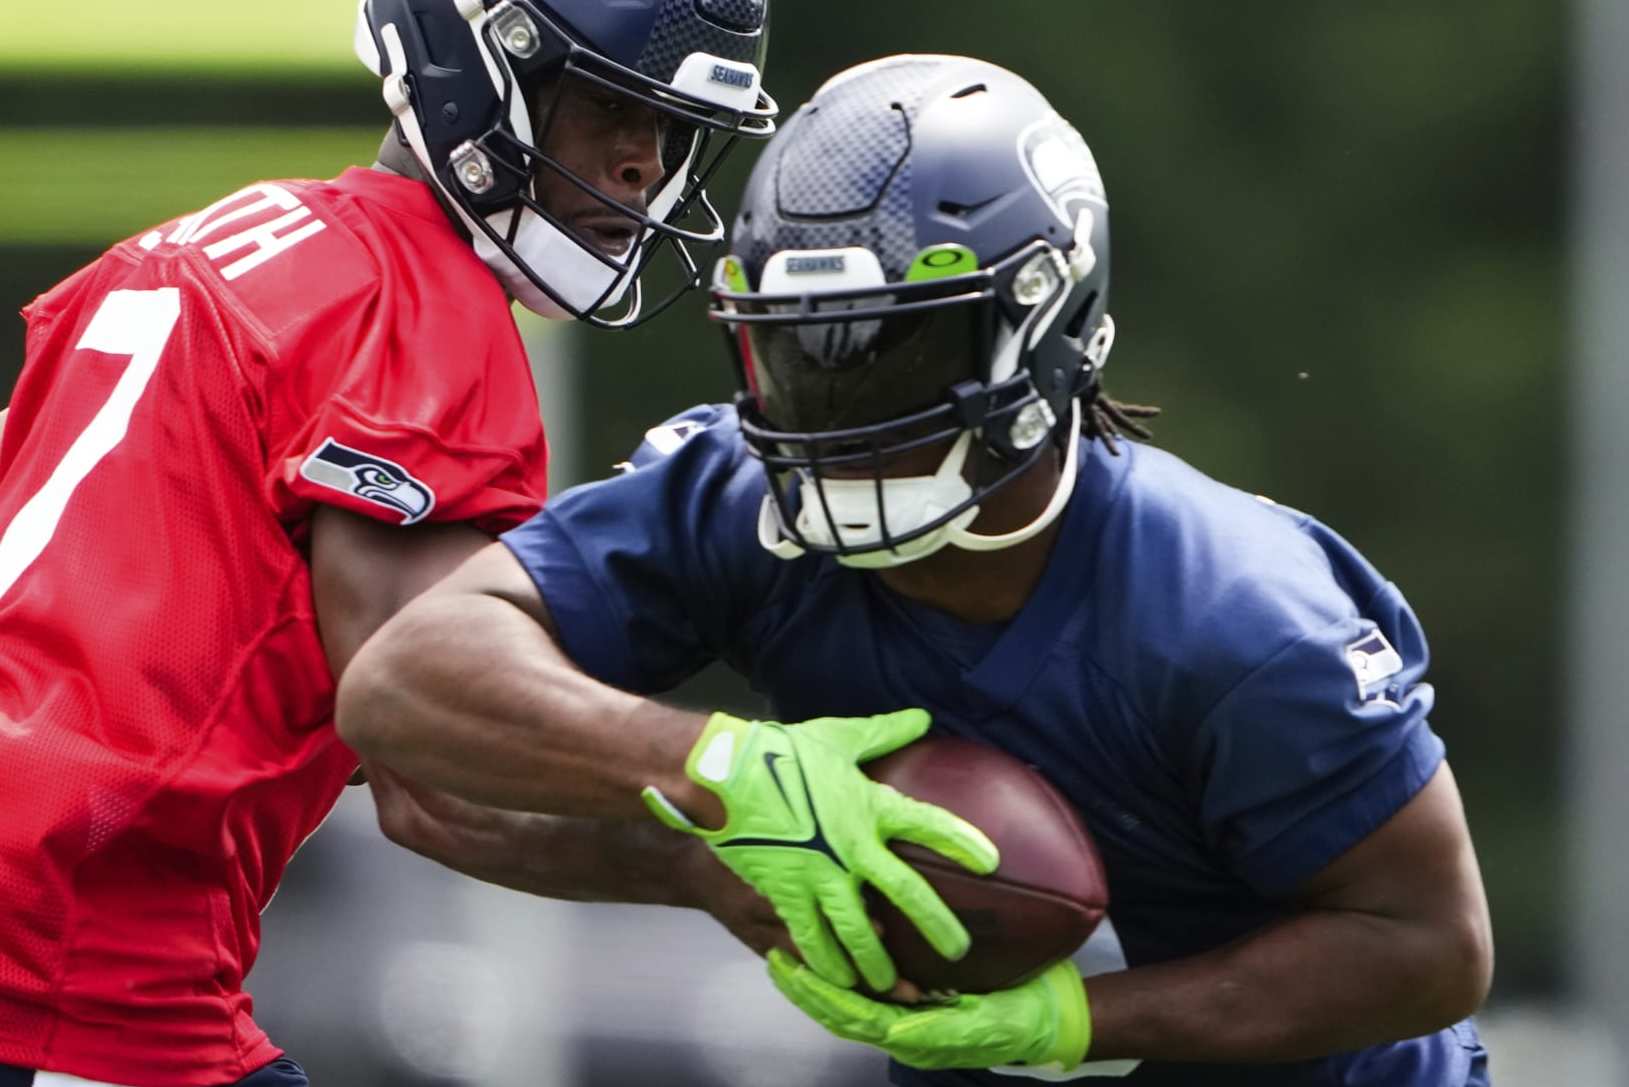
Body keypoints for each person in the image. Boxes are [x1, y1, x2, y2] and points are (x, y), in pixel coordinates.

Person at [338, 54, 1497, 1085]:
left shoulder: (1237, 617)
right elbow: (411, 690)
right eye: (803, 353)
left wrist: (1067, 1019)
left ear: (1046, 329)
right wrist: (717, 788)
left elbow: (1431, 946)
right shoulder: (737, 501)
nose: (844, 412)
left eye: (900, 350)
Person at [0, 2, 777, 1085]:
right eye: (610, 106)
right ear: (476, 67)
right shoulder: (416, 311)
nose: (644, 163)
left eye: (671, 126)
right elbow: (439, 769)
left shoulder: (192, 245)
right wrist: (730, 839)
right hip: (73, 968)